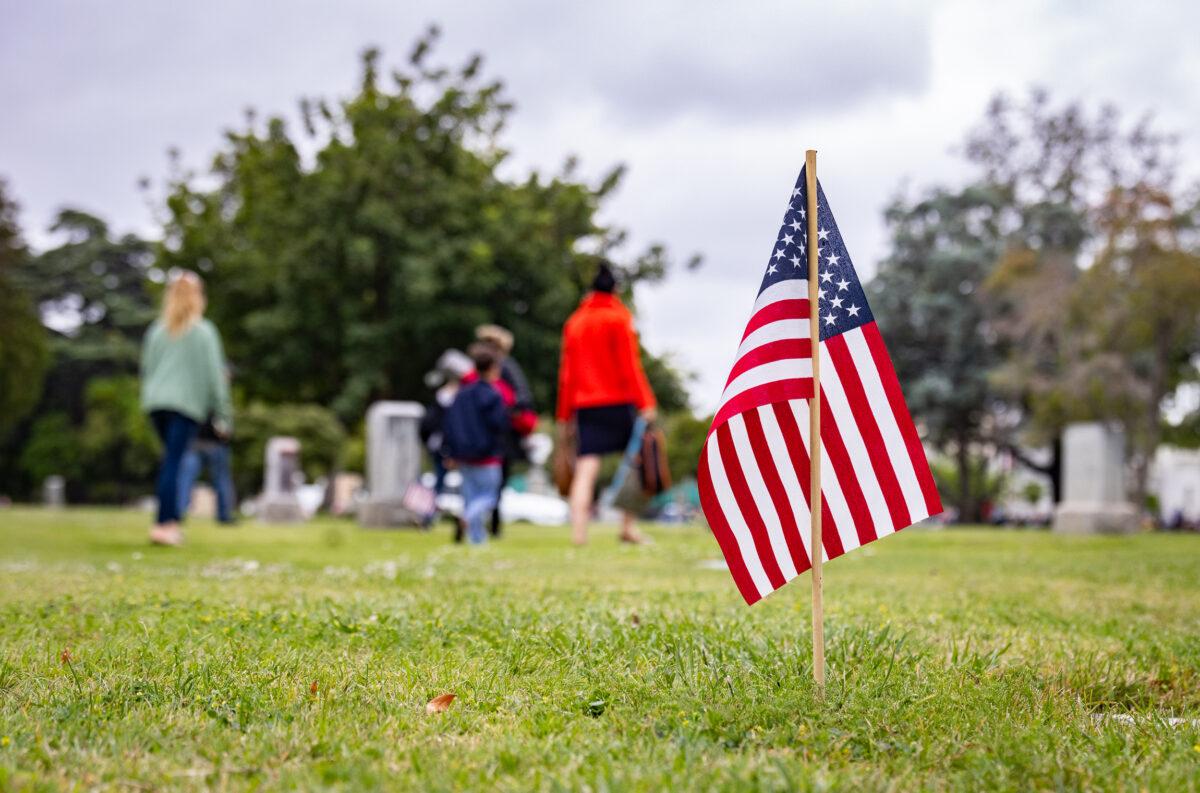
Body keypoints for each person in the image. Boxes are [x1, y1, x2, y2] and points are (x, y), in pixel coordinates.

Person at [556, 262, 656, 545]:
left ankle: (578, 534)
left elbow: (567, 375)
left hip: (585, 404)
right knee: (637, 463)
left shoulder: (574, 323)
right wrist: (646, 402)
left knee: (586, 468)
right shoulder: (619, 317)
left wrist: (564, 416)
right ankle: (627, 527)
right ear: (616, 289)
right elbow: (630, 366)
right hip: (619, 400)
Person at [139, 271, 232, 546]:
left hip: (156, 404)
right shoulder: (203, 332)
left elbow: (146, 370)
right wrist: (224, 414)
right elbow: (216, 377)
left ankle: (167, 521)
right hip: (185, 405)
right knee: (174, 462)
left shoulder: (156, 330)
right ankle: (166, 525)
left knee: (171, 461)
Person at [442, 342, 510, 545]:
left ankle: (476, 538)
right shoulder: (493, 395)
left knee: (470, 496)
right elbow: (500, 424)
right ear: (492, 368)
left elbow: (450, 425)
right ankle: (468, 518)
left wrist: (450, 452)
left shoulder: (461, 394)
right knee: (490, 496)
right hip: (487, 455)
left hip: (464, 455)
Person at [474, 324, 538, 537]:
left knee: (488, 481)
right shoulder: (499, 367)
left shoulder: (496, 367)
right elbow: (523, 397)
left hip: (492, 433)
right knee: (492, 481)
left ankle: (485, 521)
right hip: (495, 433)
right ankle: (486, 521)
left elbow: (522, 398)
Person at [419, 349, 473, 537]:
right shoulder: (460, 397)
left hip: (441, 446)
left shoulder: (442, 395)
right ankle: (467, 517)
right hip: (452, 446)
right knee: (465, 483)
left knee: (439, 483)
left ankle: (427, 517)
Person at [177, 416, 237, 525]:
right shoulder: (215, 402)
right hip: (213, 443)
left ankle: (179, 513)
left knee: (185, 480)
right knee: (221, 480)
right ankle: (224, 516)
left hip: (196, 442)